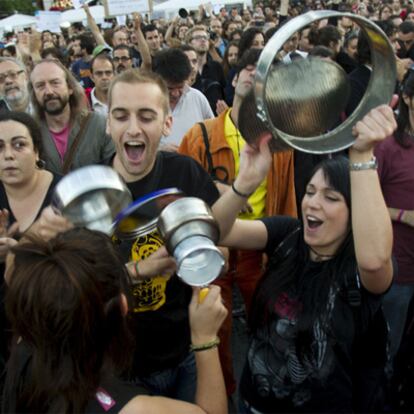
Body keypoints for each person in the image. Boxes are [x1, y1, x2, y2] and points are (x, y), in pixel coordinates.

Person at [209, 104, 396, 413]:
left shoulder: (359, 270)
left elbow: (376, 261)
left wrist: (362, 157)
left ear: (355, 215)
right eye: (310, 191)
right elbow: (218, 231)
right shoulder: (287, 235)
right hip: (253, 404)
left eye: (331, 197)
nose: (313, 203)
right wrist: (245, 183)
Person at [2, 227, 227, 414]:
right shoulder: (135, 409)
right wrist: (205, 339)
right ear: (123, 305)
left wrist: (137, 270)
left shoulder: (29, 339)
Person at [179, 49, 297, 396]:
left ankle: (268, 388)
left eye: (268, 72)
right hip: (211, 249)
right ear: (234, 79)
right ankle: (224, 394)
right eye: (251, 69)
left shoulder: (280, 143)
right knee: (216, 332)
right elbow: (184, 200)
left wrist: (285, 251)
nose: (257, 77)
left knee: (272, 323)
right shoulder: (200, 135)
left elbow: (286, 199)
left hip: (258, 248)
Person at [104, 68, 223, 402]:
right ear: (108, 123)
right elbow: (81, 286)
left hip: (184, 352)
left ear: (167, 124)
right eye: (121, 116)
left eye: (146, 116)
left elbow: (220, 242)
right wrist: (142, 270)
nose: (133, 128)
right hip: (117, 368)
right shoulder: (90, 190)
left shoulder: (183, 172)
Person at [0, 111, 60, 396]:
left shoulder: (64, 193)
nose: (8, 155)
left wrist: (24, 254)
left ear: (37, 150)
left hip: (54, 333)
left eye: (18, 144)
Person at [375, 70, 414, 362]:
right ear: (409, 99)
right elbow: (362, 202)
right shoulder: (388, 146)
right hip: (397, 269)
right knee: (387, 346)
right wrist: (404, 215)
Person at [29, 59, 114, 175]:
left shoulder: (99, 124)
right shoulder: (30, 133)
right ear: (34, 93)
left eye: (55, 83)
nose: (48, 91)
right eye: (40, 86)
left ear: (70, 88)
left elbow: (114, 171)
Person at [153, 48, 213, 150]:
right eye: (170, 88)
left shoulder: (198, 98)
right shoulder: (146, 103)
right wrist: (158, 151)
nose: (176, 94)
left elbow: (213, 135)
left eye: (180, 87)